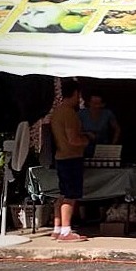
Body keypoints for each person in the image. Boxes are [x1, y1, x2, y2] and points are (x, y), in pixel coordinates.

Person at [49, 78, 90, 242]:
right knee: (71, 194)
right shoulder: (69, 113)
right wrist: (87, 140)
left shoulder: (57, 112)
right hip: (71, 157)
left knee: (62, 193)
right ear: (75, 94)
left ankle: (57, 228)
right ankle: (66, 231)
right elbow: (73, 139)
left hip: (60, 157)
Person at [78, 93, 121, 157]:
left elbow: (117, 129)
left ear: (102, 104)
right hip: (85, 147)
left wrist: (113, 145)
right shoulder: (81, 114)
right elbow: (76, 131)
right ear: (89, 103)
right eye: (92, 103)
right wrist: (87, 133)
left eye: (97, 103)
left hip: (103, 147)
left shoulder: (107, 114)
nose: (95, 106)